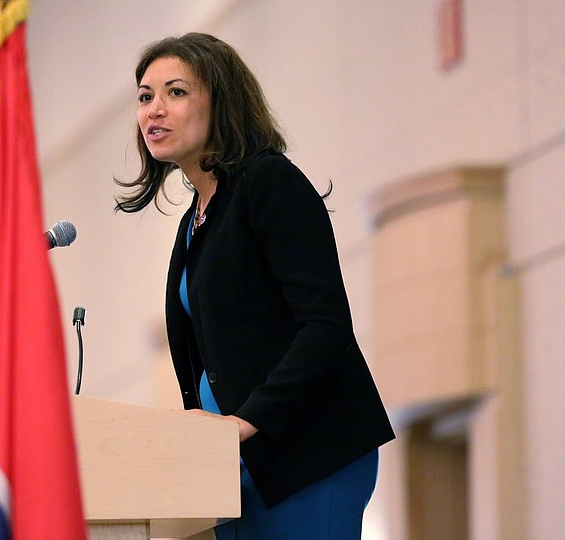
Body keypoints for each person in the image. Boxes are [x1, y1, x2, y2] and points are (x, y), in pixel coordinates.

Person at [115, 33, 395, 539]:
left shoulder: (269, 183)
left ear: (220, 101)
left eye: (175, 92)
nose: (155, 110)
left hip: (306, 454)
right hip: (234, 466)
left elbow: (325, 325)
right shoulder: (195, 220)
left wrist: (246, 422)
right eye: (145, 96)